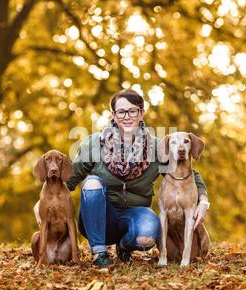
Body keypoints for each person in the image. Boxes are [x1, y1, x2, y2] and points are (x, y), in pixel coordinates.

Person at [65, 88, 209, 268]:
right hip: (99, 218)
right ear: (113, 115)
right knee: (92, 183)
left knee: (148, 234)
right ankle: (99, 252)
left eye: (132, 110)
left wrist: (203, 201)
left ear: (141, 113)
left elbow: (189, 175)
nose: (127, 116)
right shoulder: (94, 143)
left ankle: (124, 247)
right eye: (121, 111)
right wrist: (44, 200)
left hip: (135, 216)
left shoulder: (157, 148)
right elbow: (69, 179)